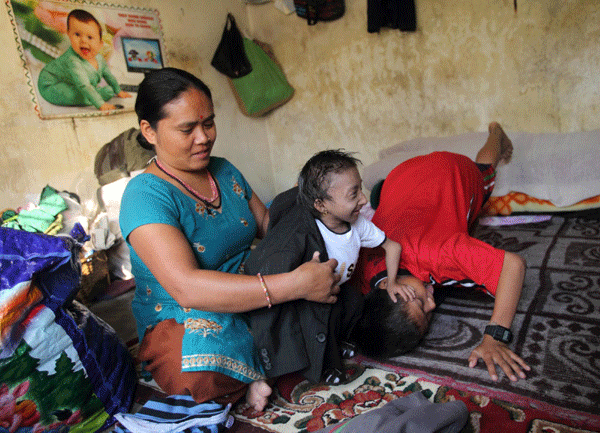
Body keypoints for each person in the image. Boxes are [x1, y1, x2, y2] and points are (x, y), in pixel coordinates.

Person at [119, 67, 341, 412]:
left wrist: (325, 222)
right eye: (187, 129)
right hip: (186, 312)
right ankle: (270, 362)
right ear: (149, 131)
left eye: (208, 123)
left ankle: (265, 366)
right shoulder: (145, 196)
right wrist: (293, 286)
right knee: (197, 372)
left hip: (250, 285)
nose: (203, 137)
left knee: (303, 218)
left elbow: (270, 226)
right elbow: (187, 287)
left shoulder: (223, 170)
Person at [352, 122, 531, 383]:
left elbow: (513, 266)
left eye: (420, 303)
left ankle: (496, 134)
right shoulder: (360, 274)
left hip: (452, 168)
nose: (433, 304)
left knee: (485, 174)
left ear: (387, 288)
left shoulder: (441, 253)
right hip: (399, 178)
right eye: (429, 311)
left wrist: (495, 337)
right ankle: (381, 192)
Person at [244, 149, 413, 385]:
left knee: (354, 303)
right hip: (312, 298)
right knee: (323, 320)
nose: (364, 200)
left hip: (339, 289)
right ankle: (328, 366)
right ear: (321, 205)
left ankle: (341, 341)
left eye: (361, 189)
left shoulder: (357, 224)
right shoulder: (305, 233)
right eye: (353, 195)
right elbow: (274, 265)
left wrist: (393, 281)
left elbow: (392, 247)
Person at [37, 9, 131, 111]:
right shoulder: (72, 60)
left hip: (73, 84)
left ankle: (93, 95)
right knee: (73, 95)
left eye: (90, 37)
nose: (83, 40)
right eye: (77, 34)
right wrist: (101, 104)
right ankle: (92, 97)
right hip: (51, 86)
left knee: (108, 90)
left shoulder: (99, 59)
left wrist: (118, 91)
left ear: (100, 44)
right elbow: (84, 85)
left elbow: (108, 75)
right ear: (69, 34)